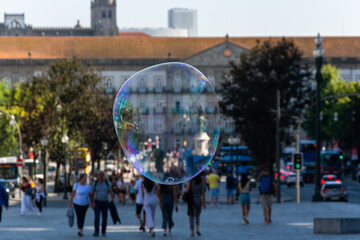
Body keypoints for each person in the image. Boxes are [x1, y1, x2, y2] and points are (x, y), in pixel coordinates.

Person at [91, 170, 114, 237]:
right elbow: (92, 193)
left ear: (104, 175)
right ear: (97, 176)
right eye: (99, 175)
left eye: (101, 174)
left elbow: (111, 192)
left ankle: (103, 231)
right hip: (97, 202)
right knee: (97, 217)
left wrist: (112, 200)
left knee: (104, 218)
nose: (100, 176)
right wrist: (92, 203)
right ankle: (96, 231)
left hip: (105, 202)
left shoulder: (107, 183)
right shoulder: (95, 183)